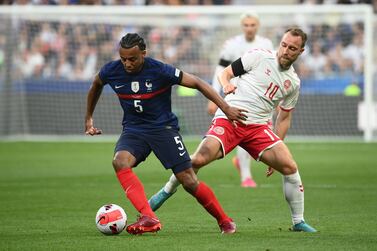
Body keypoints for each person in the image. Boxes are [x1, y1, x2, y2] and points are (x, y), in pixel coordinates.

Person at [149, 28, 317, 232]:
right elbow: (225, 73)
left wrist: (278, 143)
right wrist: (226, 85)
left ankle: (298, 221)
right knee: (198, 159)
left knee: (290, 167)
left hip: (258, 128)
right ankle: (166, 191)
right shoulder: (259, 56)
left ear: (301, 51)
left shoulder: (294, 83)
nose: (285, 51)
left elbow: (284, 117)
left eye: (292, 48)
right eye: (283, 45)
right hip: (231, 118)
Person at [85, 33, 247, 235]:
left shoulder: (159, 70)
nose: (127, 63)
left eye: (132, 59)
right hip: (134, 130)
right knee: (120, 161)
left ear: (143, 54)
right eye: (123, 58)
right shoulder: (111, 70)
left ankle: (224, 221)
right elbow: (95, 85)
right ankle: (149, 217)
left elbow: (196, 82)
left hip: (163, 129)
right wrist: (89, 118)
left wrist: (225, 106)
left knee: (188, 180)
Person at [207, 11, 274, 188]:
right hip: (236, 95)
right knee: (242, 128)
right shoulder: (231, 45)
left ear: (257, 26)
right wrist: (214, 96)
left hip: (260, 95)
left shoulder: (266, 44)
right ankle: (246, 176)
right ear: (241, 26)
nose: (249, 28)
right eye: (246, 25)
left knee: (258, 130)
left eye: (252, 25)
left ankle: (242, 163)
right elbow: (219, 70)